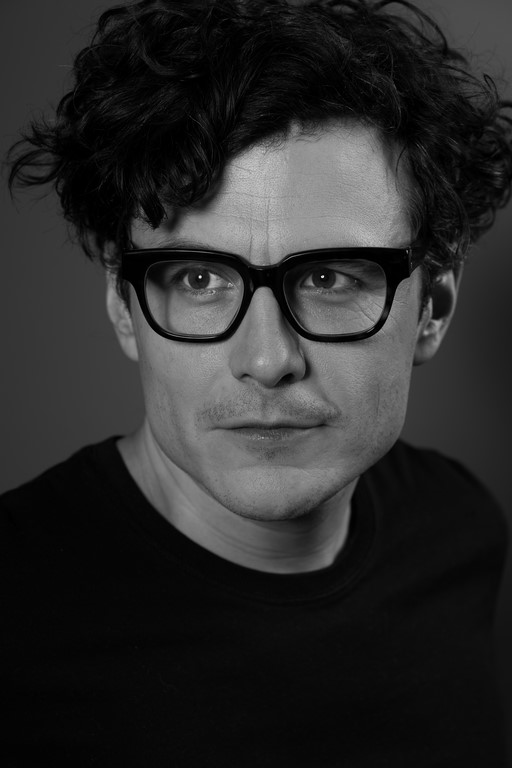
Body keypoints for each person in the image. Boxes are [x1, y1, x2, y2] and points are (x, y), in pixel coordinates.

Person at [2, 0, 512, 764]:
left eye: (331, 277)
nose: (268, 359)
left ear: (432, 308)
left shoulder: (458, 528)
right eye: (199, 278)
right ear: (123, 306)